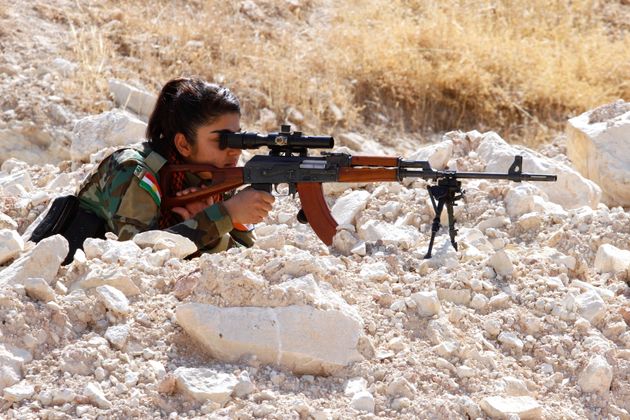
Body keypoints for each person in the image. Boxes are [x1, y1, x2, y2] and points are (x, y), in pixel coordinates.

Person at [34, 77, 275, 262]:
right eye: (222, 141)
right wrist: (223, 216)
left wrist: (213, 227)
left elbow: (243, 257)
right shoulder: (134, 171)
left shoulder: (215, 175)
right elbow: (138, 257)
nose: (234, 151)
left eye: (238, 139)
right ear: (183, 143)